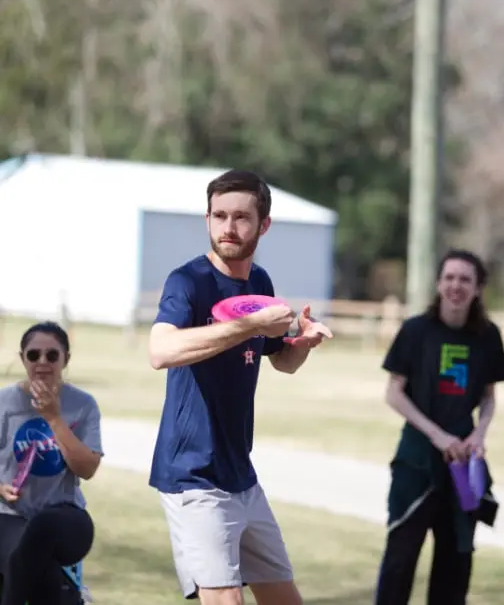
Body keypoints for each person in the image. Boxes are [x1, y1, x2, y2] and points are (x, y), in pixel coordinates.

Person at [148, 170, 333, 604]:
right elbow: (160, 351)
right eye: (219, 216)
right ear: (207, 219)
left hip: (241, 477)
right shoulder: (187, 282)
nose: (228, 228)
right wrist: (248, 324)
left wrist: (301, 345)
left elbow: (280, 359)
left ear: (263, 225)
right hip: (192, 476)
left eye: (241, 218)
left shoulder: (259, 285)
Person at [375, 249, 504, 605]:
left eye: (465, 279)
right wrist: (437, 435)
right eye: (449, 278)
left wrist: (478, 435)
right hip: (416, 461)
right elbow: (394, 392)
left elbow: (489, 396)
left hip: (462, 465)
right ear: (438, 284)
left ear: (478, 288)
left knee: (456, 561)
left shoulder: (489, 336)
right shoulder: (417, 330)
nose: (455, 286)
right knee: (400, 559)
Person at [0, 321, 103, 605]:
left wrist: (54, 418)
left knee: (40, 530)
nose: (42, 362)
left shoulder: (83, 404)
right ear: (23, 359)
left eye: (52, 355)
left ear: (65, 359)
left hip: (65, 514)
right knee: (35, 562)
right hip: (9, 514)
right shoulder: (4, 403)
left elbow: (88, 469)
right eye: (33, 355)